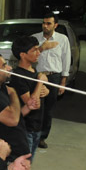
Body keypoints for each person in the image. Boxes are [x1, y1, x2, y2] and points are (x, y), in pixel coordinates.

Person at [9, 36, 49, 170]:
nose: (38, 52)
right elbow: (32, 102)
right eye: (34, 50)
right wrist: (40, 83)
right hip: (25, 130)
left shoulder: (34, 73)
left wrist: (40, 85)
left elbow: (44, 93)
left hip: (36, 128)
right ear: (23, 54)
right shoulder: (18, 76)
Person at [31, 13, 70, 149]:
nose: (45, 26)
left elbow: (66, 60)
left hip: (53, 77)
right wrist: (42, 48)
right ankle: (33, 134)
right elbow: (28, 56)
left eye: (49, 23)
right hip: (37, 76)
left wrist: (63, 82)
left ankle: (42, 137)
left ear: (55, 25)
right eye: (44, 23)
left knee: (48, 109)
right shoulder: (35, 38)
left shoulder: (63, 39)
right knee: (35, 107)